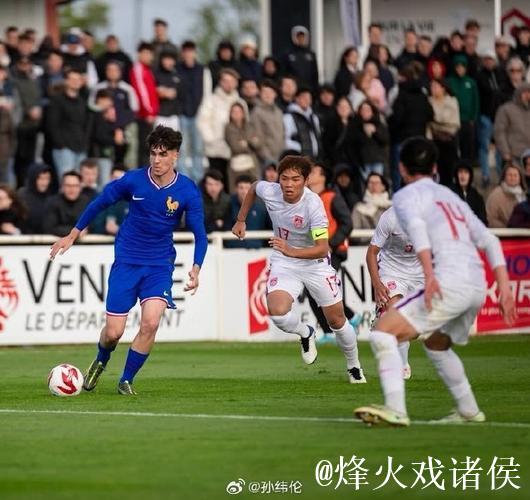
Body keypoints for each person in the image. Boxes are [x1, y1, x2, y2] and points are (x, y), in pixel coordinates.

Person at [354, 137, 516, 427]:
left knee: (382, 333)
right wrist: (503, 286)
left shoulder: (405, 196)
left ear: (401, 169)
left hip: (448, 280)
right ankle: (469, 411)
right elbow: (489, 240)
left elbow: (417, 231)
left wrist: (429, 276)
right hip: (477, 284)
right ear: (435, 168)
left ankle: (396, 409)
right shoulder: (451, 197)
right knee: (437, 345)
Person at [49, 126, 208, 395]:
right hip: (127, 262)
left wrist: (196, 267)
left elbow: (200, 234)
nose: (156, 160)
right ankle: (101, 359)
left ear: (175, 156)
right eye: (153, 153)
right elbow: (100, 202)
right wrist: (73, 234)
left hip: (159, 265)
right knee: (113, 333)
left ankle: (126, 380)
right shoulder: (133, 180)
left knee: (151, 323)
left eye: (163, 154)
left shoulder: (187, 190)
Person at [232, 155, 366, 383]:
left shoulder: (314, 205)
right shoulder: (271, 191)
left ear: (305, 180)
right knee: (277, 312)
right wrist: (241, 219)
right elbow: (253, 187)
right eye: (284, 178)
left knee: (336, 321)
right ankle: (306, 332)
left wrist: (290, 250)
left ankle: (354, 366)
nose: (289, 184)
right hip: (285, 261)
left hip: (315, 264)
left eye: (295, 179)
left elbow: (322, 249)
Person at [366, 206, 424, 380]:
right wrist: (377, 284)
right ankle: (402, 365)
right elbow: (372, 253)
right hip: (392, 271)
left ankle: (382, 324)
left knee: (416, 329)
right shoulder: (390, 217)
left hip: (419, 275)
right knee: (397, 314)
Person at [306, 161, 361, 342]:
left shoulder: (331, 197)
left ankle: (333, 329)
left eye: (314, 172)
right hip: (317, 252)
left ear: (323, 177)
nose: (309, 174)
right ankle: (350, 317)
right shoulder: (309, 198)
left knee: (318, 289)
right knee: (320, 290)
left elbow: (347, 223)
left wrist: (331, 243)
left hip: (332, 252)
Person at [197, 68, 245, 184]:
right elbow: (202, 122)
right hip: (216, 151)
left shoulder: (240, 102)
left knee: (234, 184)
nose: (229, 84)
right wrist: (211, 139)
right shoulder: (211, 100)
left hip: (236, 152)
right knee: (216, 183)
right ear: (220, 82)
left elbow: (245, 124)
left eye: (232, 81)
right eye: (226, 81)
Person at [176, 40, 209, 183]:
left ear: (195, 53)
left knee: (198, 149)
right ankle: (184, 180)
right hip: (182, 114)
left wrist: (204, 112)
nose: (188, 54)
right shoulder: (177, 69)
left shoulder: (202, 70)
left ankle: (198, 180)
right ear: (182, 53)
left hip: (198, 114)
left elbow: (207, 91)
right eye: (186, 52)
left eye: (191, 51)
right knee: (182, 149)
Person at [47, 68, 88, 178]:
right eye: (72, 79)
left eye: (78, 79)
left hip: (81, 147)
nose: (76, 82)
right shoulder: (57, 100)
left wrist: (85, 142)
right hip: (64, 148)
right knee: (67, 181)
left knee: (79, 181)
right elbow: (52, 124)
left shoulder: (82, 101)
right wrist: (60, 144)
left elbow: (85, 124)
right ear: (66, 81)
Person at [129, 42, 159, 167]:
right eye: (146, 53)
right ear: (139, 54)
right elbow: (141, 92)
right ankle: (142, 173)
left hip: (149, 114)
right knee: (144, 147)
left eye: (150, 54)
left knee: (149, 147)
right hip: (143, 115)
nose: (149, 56)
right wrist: (148, 112)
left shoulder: (147, 70)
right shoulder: (138, 69)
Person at [447, 55, 479, 162]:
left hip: (467, 120)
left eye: (462, 67)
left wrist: (473, 117)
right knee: (454, 146)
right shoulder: (449, 81)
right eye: (458, 67)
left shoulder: (471, 82)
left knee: (468, 145)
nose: (460, 69)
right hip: (454, 120)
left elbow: (476, 100)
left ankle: (467, 165)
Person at [428, 78, 460, 187]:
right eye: (431, 87)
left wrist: (434, 121)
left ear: (443, 88)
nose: (433, 89)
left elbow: (446, 120)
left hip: (449, 140)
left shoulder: (451, 101)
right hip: (434, 141)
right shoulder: (429, 101)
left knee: (450, 171)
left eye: (435, 87)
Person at [225, 174, 269, 249]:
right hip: (234, 250)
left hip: (258, 250)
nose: (244, 191)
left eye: (247, 188)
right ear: (236, 189)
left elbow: (268, 228)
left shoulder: (262, 207)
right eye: (241, 188)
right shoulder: (228, 205)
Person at [43, 171, 90, 236]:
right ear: (62, 187)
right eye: (68, 185)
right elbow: (49, 228)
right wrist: (76, 232)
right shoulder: (52, 202)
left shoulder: (85, 202)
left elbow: (91, 226)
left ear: (80, 187)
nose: (72, 189)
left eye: (75, 186)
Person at [494, 83, 530, 165]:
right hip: (515, 154)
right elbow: (499, 132)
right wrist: (505, 151)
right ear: (519, 94)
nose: (528, 96)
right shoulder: (506, 109)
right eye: (525, 92)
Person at [250, 80, 284, 166]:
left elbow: (283, 134)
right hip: (265, 159)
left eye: (271, 92)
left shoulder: (279, 112)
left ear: (275, 94)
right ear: (260, 94)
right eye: (265, 92)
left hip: (280, 157)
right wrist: (267, 157)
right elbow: (257, 138)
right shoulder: (256, 112)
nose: (268, 95)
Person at [283, 86, 322, 159]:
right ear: (297, 99)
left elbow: (317, 137)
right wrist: (300, 148)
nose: (306, 100)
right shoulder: (289, 117)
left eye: (309, 98)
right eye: (304, 97)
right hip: (298, 158)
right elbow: (285, 139)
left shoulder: (314, 118)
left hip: (314, 158)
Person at [486, 163, 527, 228]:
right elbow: (490, 218)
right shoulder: (496, 195)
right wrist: (507, 228)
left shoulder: (524, 194)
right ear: (504, 177)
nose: (512, 178)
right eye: (510, 175)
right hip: (504, 232)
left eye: (515, 175)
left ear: (520, 178)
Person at [17, 163, 54, 234]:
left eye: (47, 178)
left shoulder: (52, 197)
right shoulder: (22, 196)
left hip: (47, 237)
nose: (44, 182)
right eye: (40, 178)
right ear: (33, 178)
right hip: (25, 237)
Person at [451, 159, 487, 225]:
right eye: (460, 172)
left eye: (466, 172)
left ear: (470, 175)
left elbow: (483, 220)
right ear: (456, 175)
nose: (463, 176)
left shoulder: (476, 196)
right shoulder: (450, 194)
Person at [282, 26, 318, 92]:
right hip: (294, 88)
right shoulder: (288, 54)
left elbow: (315, 74)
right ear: (294, 37)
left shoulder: (311, 54)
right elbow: (284, 72)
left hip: (308, 88)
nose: (301, 39)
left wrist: (315, 89)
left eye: (303, 37)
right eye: (298, 37)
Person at [201, 168, 231, 233]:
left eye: (216, 184)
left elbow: (230, 223)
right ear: (205, 185)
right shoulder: (198, 201)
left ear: (222, 186)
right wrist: (215, 224)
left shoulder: (228, 201)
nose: (213, 188)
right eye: (210, 184)